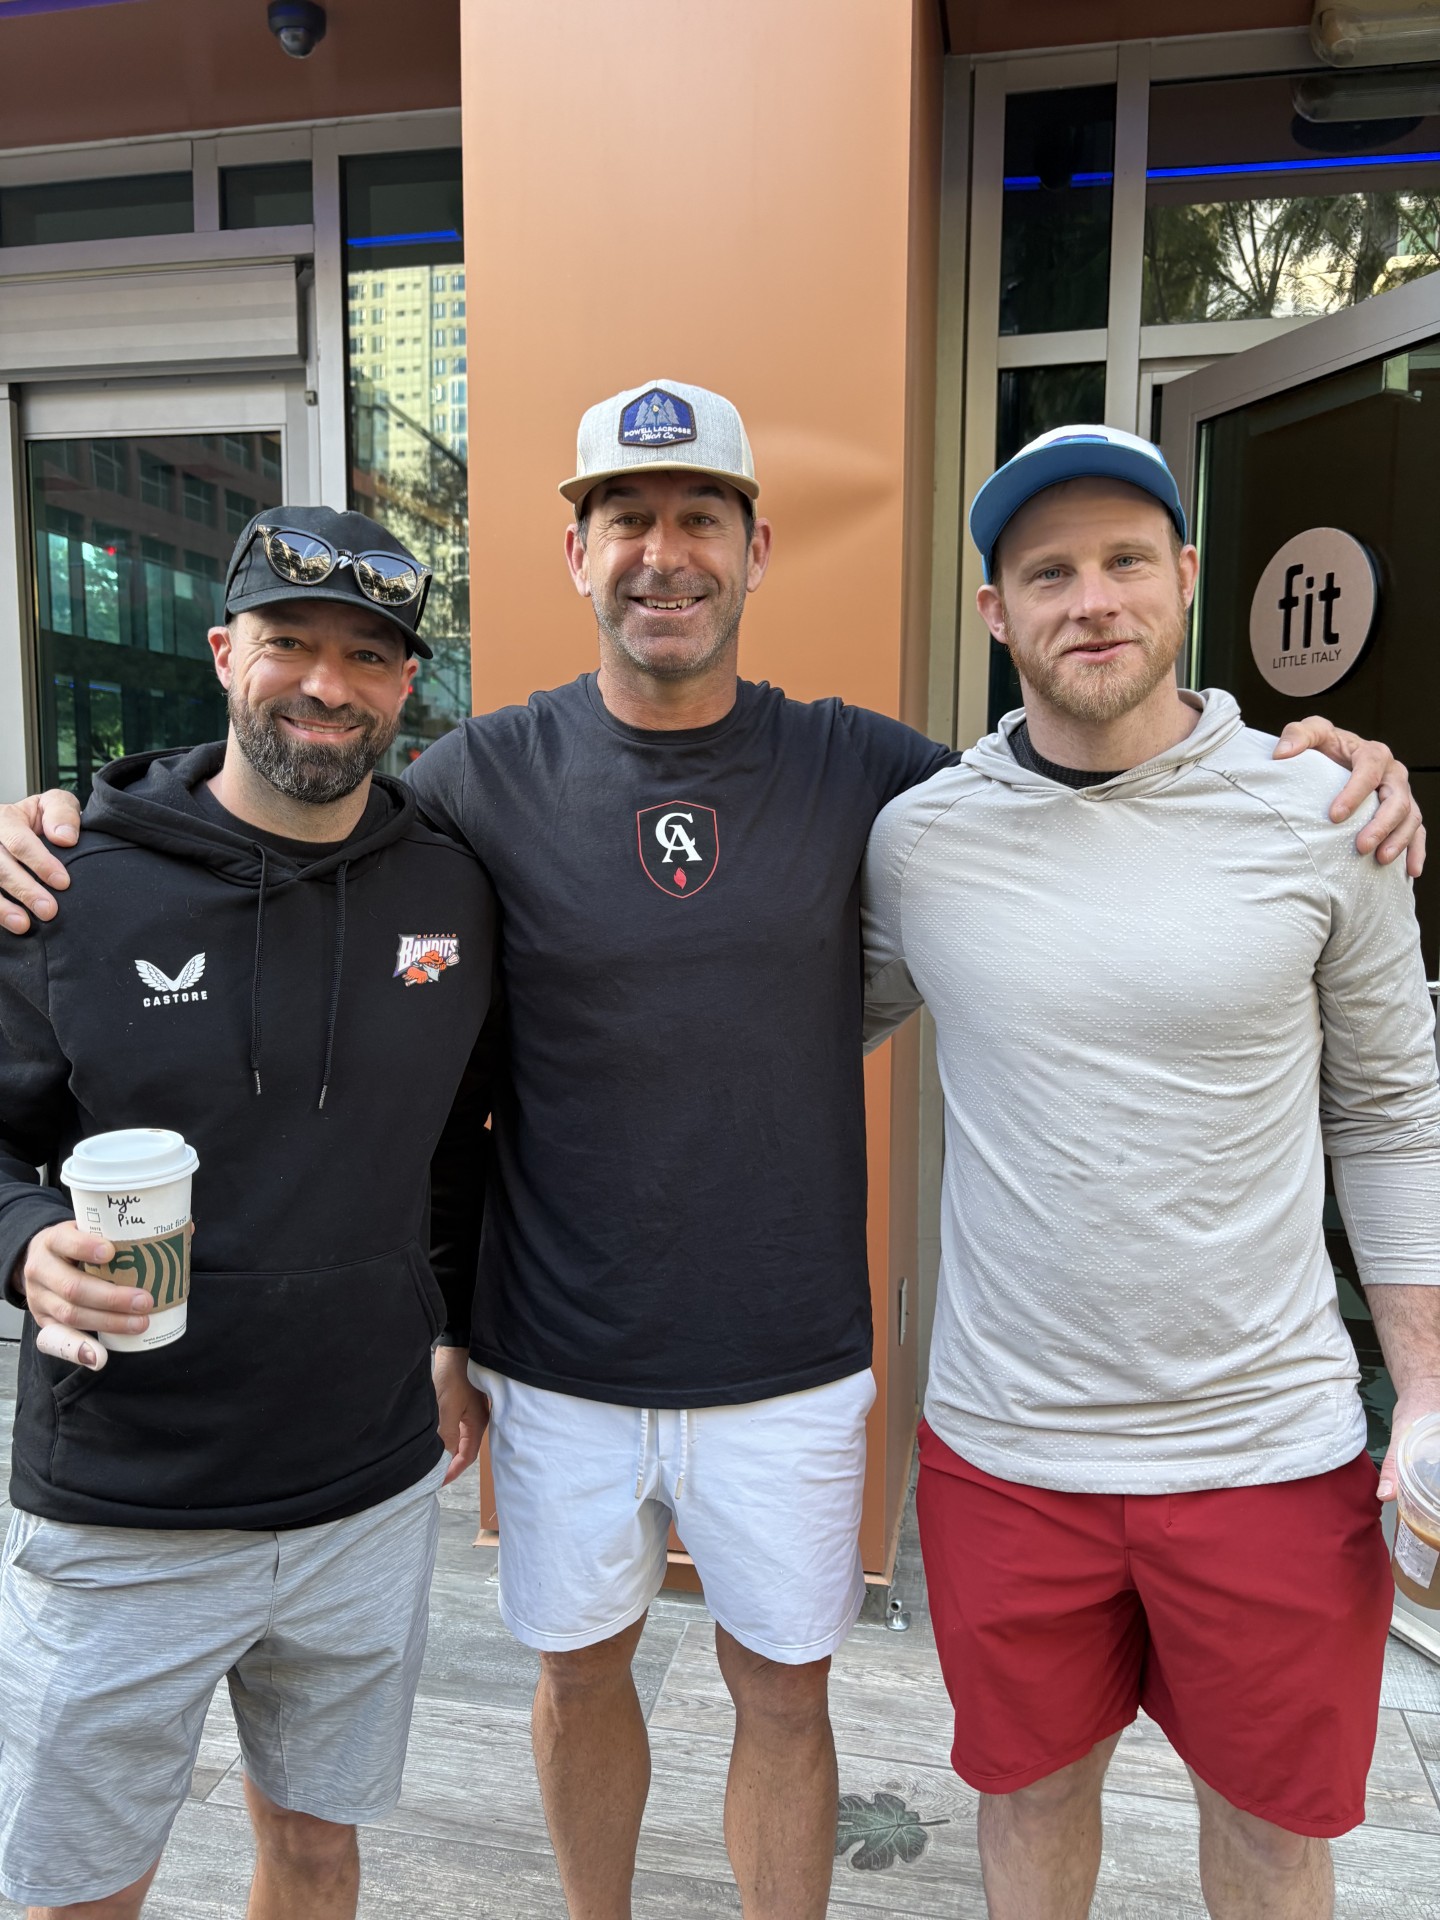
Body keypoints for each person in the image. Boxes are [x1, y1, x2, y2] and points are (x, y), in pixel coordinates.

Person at [0, 390, 1421, 1920]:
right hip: (555, 1358)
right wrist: (93, 820)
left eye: (698, 519)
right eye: (627, 519)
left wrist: (1296, 767)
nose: (662, 554)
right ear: (578, 552)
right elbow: (291, 799)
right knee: (576, 1674)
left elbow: (1079, 771)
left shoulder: (874, 777)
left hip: (792, 1362)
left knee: (787, 1696)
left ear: (757, 549)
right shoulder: (478, 779)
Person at [861, 425, 1440, 1920]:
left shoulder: (1327, 815)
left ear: (1186, 576)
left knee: (1271, 1832)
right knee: (1029, 1802)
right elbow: (782, 1033)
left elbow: (1392, 1110)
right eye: (1049, 572)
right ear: (996, 613)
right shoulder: (922, 843)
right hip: (1005, 1449)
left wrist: (1428, 1393)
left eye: (1125, 560)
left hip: (1267, 1449)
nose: (1092, 599)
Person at [0, 507, 496, 1920]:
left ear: (407, 685)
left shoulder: (454, 888)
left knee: (320, 1851)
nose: (326, 686)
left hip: (366, 1490)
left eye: (367, 656)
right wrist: (25, 1248)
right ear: (225, 652)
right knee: (84, 1889)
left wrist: (451, 1332)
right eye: (289, 644)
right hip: (126, 1504)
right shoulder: (67, 888)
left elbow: (458, 1145)